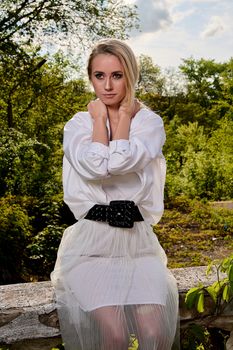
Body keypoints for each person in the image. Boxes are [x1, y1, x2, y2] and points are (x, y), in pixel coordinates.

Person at [51, 38, 179, 350]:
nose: (107, 86)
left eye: (117, 75)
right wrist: (98, 120)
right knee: (115, 337)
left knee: (156, 334)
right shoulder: (79, 124)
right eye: (99, 76)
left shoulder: (149, 123)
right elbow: (97, 167)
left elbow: (119, 161)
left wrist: (123, 119)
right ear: (90, 77)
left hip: (138, 245)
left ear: (130, 76)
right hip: (91, 247)